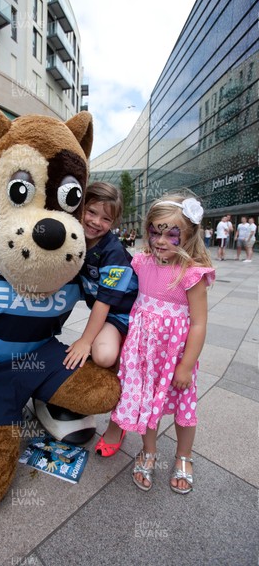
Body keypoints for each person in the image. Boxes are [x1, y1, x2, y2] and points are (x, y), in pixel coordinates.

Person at [100, 192, 215, 495]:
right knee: (147, 403)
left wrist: (186, 366)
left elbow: (200, 323)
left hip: (175, 357)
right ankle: (148, 452)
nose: (161, 240)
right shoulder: (141, 262)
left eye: (172, 233)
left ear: (189, 235)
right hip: (143, 354)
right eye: (155, 231)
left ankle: (184, 456)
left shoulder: (191, 274)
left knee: (183, 408)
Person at [63, 182, 138, 376]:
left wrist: (85, 341)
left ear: (113, 223)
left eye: (106, 218)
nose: (96, 222)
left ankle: (129, 352)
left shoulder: (113, 253)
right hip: (107, 312)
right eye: (91, 212)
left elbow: (104, 302)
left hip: (124, 314)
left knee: (103, 356)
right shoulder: (75, 238)